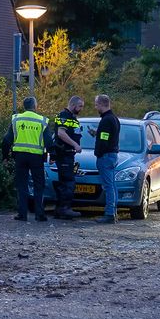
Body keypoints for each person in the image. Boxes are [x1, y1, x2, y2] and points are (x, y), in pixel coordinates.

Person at [1, 96, 48, 222]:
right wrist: (52, 156)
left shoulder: (16, 119)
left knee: (22, 185)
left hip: (20, 157)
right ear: (35, 106)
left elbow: (6, 140)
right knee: (39, 185)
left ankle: (22, 214)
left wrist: (5, 156)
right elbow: (49, 141)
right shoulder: (42, 121)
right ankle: (39, 214)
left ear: (24, 106)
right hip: (37, 157)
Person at [50, 96, 85, 220]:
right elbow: (61, 133)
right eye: (80, 106)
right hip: (64, 154)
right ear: (73, 104)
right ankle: (65, 209)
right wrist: (75, 144)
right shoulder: (64, 115)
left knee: (64, 182)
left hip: (68, 154)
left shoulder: (72, 118)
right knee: (68, 182)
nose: (81, 109)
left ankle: (60, 209)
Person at [91, 94, 120, 225]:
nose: (95, 106)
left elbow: (104, 140)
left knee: (108, 186)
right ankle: (113, 212)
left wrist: (99, 153)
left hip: (106, 156)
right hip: (112, 155)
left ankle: (109, 214)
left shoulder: (106, 120)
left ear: (102, 104)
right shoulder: (114, 119)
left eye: (96, 104)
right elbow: (107, 136)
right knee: (112, 185)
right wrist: (97, 133)